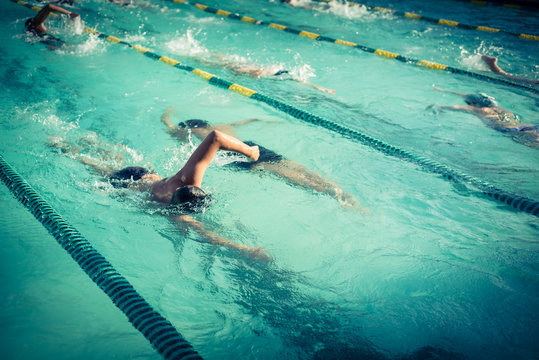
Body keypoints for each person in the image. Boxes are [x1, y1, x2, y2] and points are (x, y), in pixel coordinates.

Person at [49, 131, 271, 261]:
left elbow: (215, 137)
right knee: (96, 167)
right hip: (125, 185)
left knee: (106, 163)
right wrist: (246, 251)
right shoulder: (177, 213)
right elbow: (209, 236)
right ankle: (65, 149)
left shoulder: (187, 180)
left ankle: (80, 143)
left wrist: (249, 150)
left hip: (141, 174)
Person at [161, 108, 362, 210]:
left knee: (281, 171)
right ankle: (336, 190)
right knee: (289, 166)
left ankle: (330, 193)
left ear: (190, 127)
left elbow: (171, 127)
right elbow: (243, 121)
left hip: (232, 155)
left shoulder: (191, 134)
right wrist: (259, 120)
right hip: (249, 144)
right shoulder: (224, 126)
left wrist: (167, 116)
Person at [429, 86, 538, 148]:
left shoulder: (478, 109)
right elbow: (470, 96)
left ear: (472, 103)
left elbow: (456, 107)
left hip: (509, 130)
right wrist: (445, 91)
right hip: (527, 126)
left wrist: (439, 107)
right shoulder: (500, 109)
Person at [193, 52, 336, 94]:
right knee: (220, 63)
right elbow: (302, 81)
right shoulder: (268, 73)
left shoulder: (280, 73)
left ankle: (205, 56)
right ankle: (199, 57)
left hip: (249, 68)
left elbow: (302, 81)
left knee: (222, 62)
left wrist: (319, 88)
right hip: (245, 69)